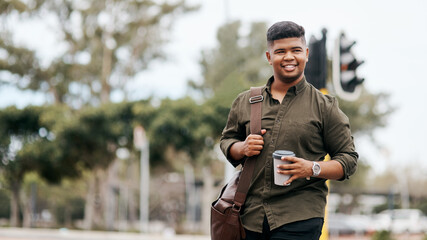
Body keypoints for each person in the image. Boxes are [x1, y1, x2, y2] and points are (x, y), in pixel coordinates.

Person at [219, 21, 358, 240]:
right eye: (280, 51)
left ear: (307, 53)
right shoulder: (245, 101)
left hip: (300, 216)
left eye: (296, 50)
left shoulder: (325, 106)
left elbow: (348, 160)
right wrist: (242, 147)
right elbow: (227, 141)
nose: (289, 57)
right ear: (268, 57)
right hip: (249, 216)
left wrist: (311, 168)